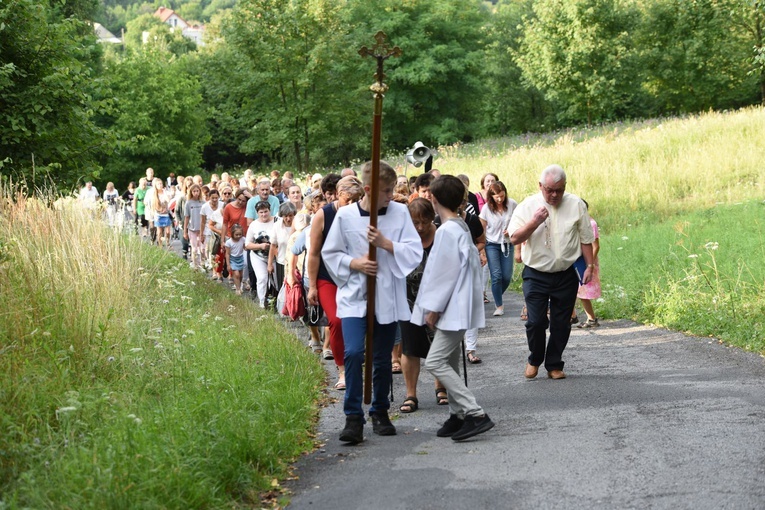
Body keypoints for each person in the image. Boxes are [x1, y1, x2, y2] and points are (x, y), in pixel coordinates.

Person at [322, 161, 422, 444]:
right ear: (368, 189)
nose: (392, 196)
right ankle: (353, 417)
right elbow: (331, 253)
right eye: (387, 191)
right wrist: (355, 263)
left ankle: (379, 411)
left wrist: (386, 243)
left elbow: (414, 252)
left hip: (387, 297)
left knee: (381, 360)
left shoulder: (400, 213)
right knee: (353, 352)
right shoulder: (345, 217)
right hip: (355, 297)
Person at [411, 175, 494, 441]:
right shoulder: (457, 225)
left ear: (433, 199)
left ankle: (475, 412)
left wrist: (433, 309)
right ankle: (458, 415)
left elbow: (444, 274)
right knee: (448, 361)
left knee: (435, 361)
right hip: (459, 304)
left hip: (452, 306)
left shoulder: (447, 230)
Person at [509, 164, 596, 380]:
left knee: (562, 322)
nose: (555, 194)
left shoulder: (576, 204)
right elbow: (514, 238)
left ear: (565, 186)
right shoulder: (527, 206)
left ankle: (554, 363)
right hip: (536, 273)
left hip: (566, 273)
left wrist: (590, 267)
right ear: (540, 186)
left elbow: (586, 238)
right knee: (536, 321)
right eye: (550, 190)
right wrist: (535, 221)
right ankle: (534, 359)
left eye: (559, 189)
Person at [307, 175, 364, 391]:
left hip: (355, 276)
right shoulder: (324, 215)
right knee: (337, 321)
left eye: (356, 200)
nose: (352, 205)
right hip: (327, 277)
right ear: (338, 195)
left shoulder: (362, 212)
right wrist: (312, 286)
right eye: (348, 200)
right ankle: (342, 370)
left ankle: (358, 359)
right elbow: (313, 253)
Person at [398, 198, 448, 413]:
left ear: (431, 218)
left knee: (440, 345)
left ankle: (441, 387)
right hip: (409, 300)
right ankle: (411, 395)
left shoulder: (442, 236)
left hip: (440, 301)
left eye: (424, 222)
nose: (419, 227)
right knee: (410, 348)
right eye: (415, 222)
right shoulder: (403, 238)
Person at [479, 181, 517, 316]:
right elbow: (481, 229)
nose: (500, 199)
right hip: (491, 244)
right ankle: (499, 306)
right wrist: (482, 250)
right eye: (497, 197)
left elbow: (518, 221)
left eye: (502, 196)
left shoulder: (512, 204)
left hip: (507, 243)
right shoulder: (486, 209)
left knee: (506, 276)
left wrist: (511, 230)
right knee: (496, 275)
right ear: (491, 197)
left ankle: (496, 294)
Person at [573, 199, 601, 328]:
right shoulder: (578, 223)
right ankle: (572, 316)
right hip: (578, 260)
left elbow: (595, 246)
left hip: (587, 262)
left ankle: (591, 319)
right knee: (575, 289)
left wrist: (589, 263)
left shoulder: (591, 223)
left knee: (583, 291)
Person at [245, 201, 277, 308]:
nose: (264, 214)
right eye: (261, 212)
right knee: (262, 278)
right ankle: (262, 303)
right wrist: (260, 246)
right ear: (257, 213)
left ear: (270, 210)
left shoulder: (277, 221)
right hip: (258, 256)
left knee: (276, 280)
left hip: (274, 256)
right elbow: (247, 244)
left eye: (266, 212)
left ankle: (275, 301)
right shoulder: (254, 224)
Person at [268, 201, 297, 292]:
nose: (288, 219)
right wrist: (269, 264)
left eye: (290, 215)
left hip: (296, 264)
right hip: (281, 261)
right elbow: (273, 245)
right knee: (282, 288)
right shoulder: (277, 226)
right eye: (285, 216)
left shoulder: (298, 224)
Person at [200, 188, 224, 279]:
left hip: (221, 231)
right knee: (213, 252)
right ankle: (214, 271)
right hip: (209, 232)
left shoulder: (222, 205)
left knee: (221, 253)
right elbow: (202, 222)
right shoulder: (205, 207)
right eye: (212, 198)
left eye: (216, 198)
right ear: (209, 197)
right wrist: (201, 234)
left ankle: (220, 271)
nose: (214, 200)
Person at [183, 184, 205, 270]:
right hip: (192, 229)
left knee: (202, 248)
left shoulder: (202, 202)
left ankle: (203, 264)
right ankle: (195, 264)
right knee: (194, 248)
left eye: (197, 191)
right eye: (194, 191)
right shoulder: (188, 203)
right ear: (191, 192)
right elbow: (187, 217)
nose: (196, 193)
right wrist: (185, 231)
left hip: (201, 229)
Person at [225, 224, 246, 294]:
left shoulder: (243, 239)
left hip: (241, 258)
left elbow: (244, 247)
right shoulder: (229, 242)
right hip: (233, 259)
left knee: (241, 275)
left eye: (240, 234)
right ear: (232, 234)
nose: (238, 236)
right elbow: (227, 254)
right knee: (236, 274)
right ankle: (237, 289)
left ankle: (239, 285)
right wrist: (228, 264)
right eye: (236, 234)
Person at [152, 179, 173, 249]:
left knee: (167, 231)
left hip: (166, 214)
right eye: (158, 184)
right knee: (159, 231)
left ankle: (167, 243)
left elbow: (168, 200)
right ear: (156, 186)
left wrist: (165, 192)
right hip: (158, 214)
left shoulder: (165, 192)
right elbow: (153, 205)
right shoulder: (154, 194)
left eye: (161, 184)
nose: (160, 185)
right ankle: (160, 244)